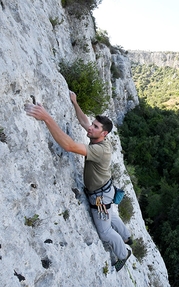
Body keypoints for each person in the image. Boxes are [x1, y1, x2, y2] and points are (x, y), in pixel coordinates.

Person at [24, 91, 132, 272]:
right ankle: (127, 236)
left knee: (105, 231)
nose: (91, 128)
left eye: (95, 127)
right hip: (106, 189)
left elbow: (69, 146)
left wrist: (47, 118)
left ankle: (123, 253)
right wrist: (75, 102)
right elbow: (84, 122)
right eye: (93, 125)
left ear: (103, 133)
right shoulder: (100, 138)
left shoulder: (100, 150)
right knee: (111, 215)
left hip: (100, 196)